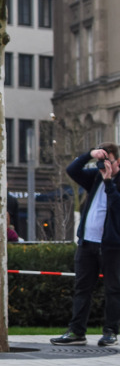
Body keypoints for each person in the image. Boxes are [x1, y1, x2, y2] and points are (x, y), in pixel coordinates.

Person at [52, 143, 120, 347]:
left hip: (112, 246)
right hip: (87, 243)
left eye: (108, 159)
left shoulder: (111, 180)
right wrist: (89, 155)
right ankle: (76, 331)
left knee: (113, 289)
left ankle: (110, 331)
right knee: (82, 288)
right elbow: (72, 170)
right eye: (102, 159)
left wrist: (109, 181)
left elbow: (117, 206)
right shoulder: (95, 176)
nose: (103, 164)